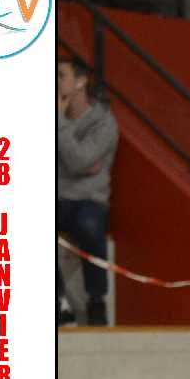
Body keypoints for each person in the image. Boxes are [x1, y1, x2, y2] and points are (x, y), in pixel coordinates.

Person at [57, 57, 119, 326]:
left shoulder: (103, 124)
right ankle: (58, 302)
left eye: (61, 76)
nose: (55, 82)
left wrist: (59, 124)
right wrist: (78, 159)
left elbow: (77, 161)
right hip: (58, 197)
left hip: (89, 200)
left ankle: (96, 301)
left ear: (81, 82)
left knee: (90, 227)